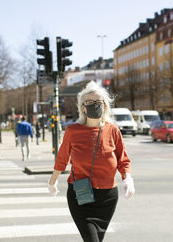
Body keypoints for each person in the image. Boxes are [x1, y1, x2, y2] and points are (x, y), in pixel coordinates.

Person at [47, 81, 135, 242]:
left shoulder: (113, 130)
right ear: (82, 107)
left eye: (98, 102)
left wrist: (128, 178)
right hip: (81, 196)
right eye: (90, 102)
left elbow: (123, 159)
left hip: (107, 198)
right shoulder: (73, 131)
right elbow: (62, 159)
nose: (95, 105)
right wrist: (52, 182)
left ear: (105, 106)